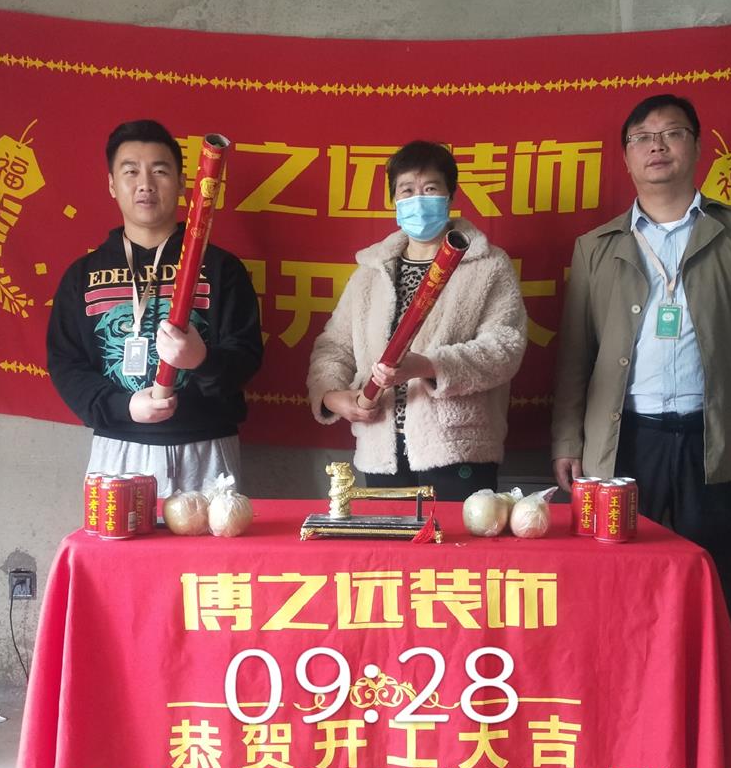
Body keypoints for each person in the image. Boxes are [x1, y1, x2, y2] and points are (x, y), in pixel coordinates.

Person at [551, 94, 731, 628]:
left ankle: (704, 683)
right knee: (618, 583)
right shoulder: (596, 246)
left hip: (712, 437)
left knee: (708, 580)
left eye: (672, 133)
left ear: (697, 146)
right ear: (626, 157)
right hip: (624, 440)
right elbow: (575, 355)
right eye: (642, 137)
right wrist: (569, 442)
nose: (657, 146)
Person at [47, 119, 263, 496]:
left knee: (211, 540)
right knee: (116, 539)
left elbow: (247, 355)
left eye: (160, 171)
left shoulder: (220, 268)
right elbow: (66, 364)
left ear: (181, 184)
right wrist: (122, 407)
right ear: (112, 184)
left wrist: (201, 359)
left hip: (205, 450)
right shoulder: (83, 275)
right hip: (118, 448)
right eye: (130, 171)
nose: (145, 184)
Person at [307, 140, 527, 501]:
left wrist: (428, 366)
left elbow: (505, 348)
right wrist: (332, 396)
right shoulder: (372, 272)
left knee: (457, 540)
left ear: (450, 195)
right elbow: (334, 346)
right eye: (407, 190)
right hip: (382, 451)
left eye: (430, 188)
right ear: (394, 199)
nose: (418, 199)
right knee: (389, 540)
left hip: (458, 448)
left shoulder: (488, 265)